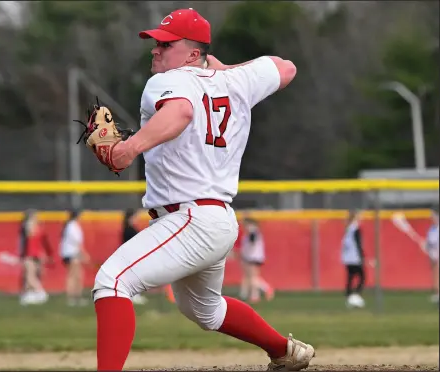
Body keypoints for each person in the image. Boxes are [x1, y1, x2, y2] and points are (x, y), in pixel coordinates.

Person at [90, 8, 314, 371]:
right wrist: (223, 70)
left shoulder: (167, 81)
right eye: (155, 43)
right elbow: (285, 67)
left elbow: (180, 112)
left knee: (112, 281)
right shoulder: (236, 81)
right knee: (204, 309)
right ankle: (285, 352)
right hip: (218, 220)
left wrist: (129, 149)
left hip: (189, 219)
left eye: (166, 44)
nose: (156, 50)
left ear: (193, 53)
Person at [18, 209, 53, 305]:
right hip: (35, 253)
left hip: (30, 253)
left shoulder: (30, 226)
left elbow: (29, 239)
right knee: (30, 275)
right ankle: (27, 294)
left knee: (30, 275)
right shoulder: (36, 226)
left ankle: (40, 292)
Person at [238, 217, 274, 303]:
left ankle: (264, 289)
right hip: (250, 257)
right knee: (250, 277)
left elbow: (252, 241)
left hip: (253, 257)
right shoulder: (250, 233)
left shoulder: (253, 231)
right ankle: (254, 295)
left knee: (253, 277)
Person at [60, 209, 90, 306]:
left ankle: (77, 296)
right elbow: (77, 242)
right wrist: (84, 254)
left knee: (77, 275)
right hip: (72, 254)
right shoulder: (72, 226)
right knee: (73, 275)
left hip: (73, 253)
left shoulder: (71, 225)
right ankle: (72, 297)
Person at [341, 210, 366, 308]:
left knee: (351, 277)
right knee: (362, 276)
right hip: (354, 257)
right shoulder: (355, 229)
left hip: (347, 257)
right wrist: (361, 256)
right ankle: (355, 295)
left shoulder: (348, 229)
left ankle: (349, 296)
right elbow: (358, 244)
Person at [422, 207, 439, 303]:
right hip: (433, 254)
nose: (432, 218)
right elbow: (430, 241)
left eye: (433, 216)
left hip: (437, 253)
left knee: (437, 274)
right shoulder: (432, 229)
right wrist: (426, 245)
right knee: (435, 274)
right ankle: (437, 293)